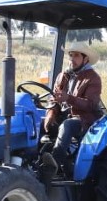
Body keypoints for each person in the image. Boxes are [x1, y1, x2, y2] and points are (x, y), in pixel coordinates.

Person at [39, 43, 103, 179]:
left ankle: (53, 166)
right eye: (71, 55)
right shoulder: (63, 76)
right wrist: (51, 113)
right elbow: (54, 99)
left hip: (85, 120)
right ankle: (33, 162)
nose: (72, 59)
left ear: (86, 59)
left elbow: (90, 105)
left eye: (77, 56)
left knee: (67, 125)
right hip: (64, 115)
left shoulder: (93, 78)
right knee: (36, 123)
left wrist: (68, 98)